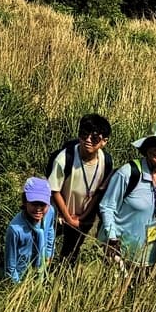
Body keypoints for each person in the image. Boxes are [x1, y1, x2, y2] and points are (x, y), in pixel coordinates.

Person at [99, 121, 156, 266]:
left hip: (148, 256)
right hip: (118, 252)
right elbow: (107, 206)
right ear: (146, 147)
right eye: (155, 145)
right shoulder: (128, 173)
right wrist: (111, 239)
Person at [46, 114, 113, 265]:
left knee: (71, 252)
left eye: (95, 137)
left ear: (104, 141)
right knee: (46, 244)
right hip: (59, 214)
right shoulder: (64, 158)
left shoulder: (106, 161)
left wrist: (83, 217)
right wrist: (68, 218)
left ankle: (62, 280)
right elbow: (54, 190)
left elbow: (99, 192)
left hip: (84, 216)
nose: (88, 140)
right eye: (84, 134)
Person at [1, 177, 57, 285]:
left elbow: (50, 230)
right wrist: (17, 286)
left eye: (43, 204)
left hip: (41, 268)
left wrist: (49, 253)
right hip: (21, 277)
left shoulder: (50, 212)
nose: (38, 209)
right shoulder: (15, 229)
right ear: (25, 202)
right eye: (34, 203)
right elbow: (10, 264)